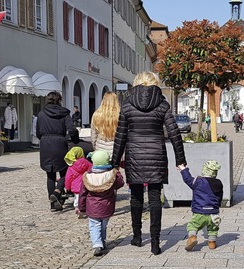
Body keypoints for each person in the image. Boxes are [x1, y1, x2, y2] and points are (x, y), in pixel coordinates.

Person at [111, 71, 187, 255]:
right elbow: (174, 132)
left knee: (136, 197)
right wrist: (181, 160)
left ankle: (137, 237)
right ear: (155, 84)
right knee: (155, 198)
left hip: (134, 156)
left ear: (136, 83)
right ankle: (155, 243)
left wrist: (114, 163)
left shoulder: (127, 104)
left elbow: (120, 136)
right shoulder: (161, 104)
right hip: (156, 156)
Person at [37, 91, 79, 212]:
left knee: (50, 174)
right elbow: (71, 130)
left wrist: (44, 139)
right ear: (59, 100)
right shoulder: (64, 113)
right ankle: (57, 191)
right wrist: (75, 140)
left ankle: (53, 203)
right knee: (65, 172)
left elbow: (38, 132)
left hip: (45, 144)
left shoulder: (41, 114)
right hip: (60, 143)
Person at [78, 150, 125, 257]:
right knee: (103, 225)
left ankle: (97, 244)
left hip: (92, 206)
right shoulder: (111, 174)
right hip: (107, 206)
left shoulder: (87, 176)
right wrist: (117, 172)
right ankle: (102, 241)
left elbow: (83, 194)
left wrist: (81, 207)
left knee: (94, 225)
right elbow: (120, 184)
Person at [177, 161, 223, 251]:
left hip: (199, 212)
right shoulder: (218, 183)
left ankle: (192, 237)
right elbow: (219, 197)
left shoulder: (198, 181)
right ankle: (212, 243)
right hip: (213, 213)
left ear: (204, 170)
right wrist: (217, 206)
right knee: (213, 228)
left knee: (192, 225)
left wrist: (183, 169)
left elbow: (188, 179)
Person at [64, 146, 92, 218]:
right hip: (86, 184)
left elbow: (68, 178)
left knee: (77, 198)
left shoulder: (71, 166)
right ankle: (85, 209)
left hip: (76, 187)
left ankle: (77, 208)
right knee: (86, 197)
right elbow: (91, 170)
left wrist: (67, 187)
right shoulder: (87, 163)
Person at [91, 92, 120, 158]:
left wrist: (95, 147)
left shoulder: (96, 115)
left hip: (100, 152)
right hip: (116, 152)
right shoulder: (119, 115)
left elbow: (93, 135)